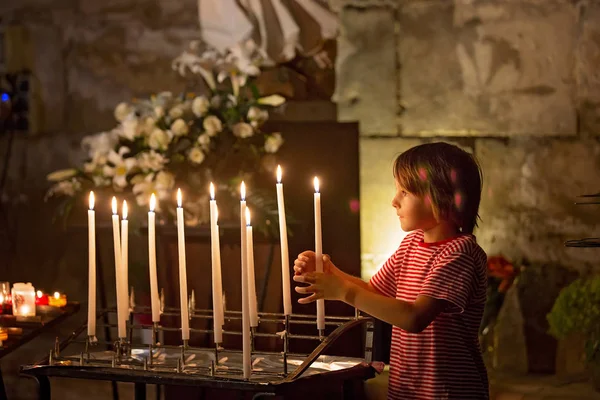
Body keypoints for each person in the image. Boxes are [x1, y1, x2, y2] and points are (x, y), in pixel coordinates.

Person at [293, 142, 489, 399]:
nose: (394, 201)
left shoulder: (459, 253)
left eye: (405, 192)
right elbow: (375, 293)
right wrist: (332, 272)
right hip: (406, 388)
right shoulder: (410, 244)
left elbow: (414, 318)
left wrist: (343, 291)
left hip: (447, 392)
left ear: (441, 197)